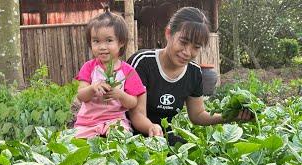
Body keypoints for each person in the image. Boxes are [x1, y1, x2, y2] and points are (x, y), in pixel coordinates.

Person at [127, 7, 252, 143]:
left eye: (196, 47)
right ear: (169, 34)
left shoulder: (194, 72)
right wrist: (152, 128)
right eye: (183, 42)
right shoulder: (143, 62)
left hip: (162, 138)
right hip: (130, 136)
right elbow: (136, 114)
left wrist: (230, 115)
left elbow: (197, 115)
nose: (187, 52)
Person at [74, 6, 146, 138]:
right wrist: (92, 88)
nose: (102, 47)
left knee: (120, 138)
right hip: (88, 122)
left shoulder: (128, 71)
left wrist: (120, 95)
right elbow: (81, 95)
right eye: (96, 41)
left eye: (109, 40)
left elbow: (133, 103)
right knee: (78, 147)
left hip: (115, 121)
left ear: (121, 42)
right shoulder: (89, 67)